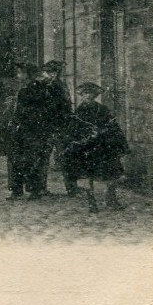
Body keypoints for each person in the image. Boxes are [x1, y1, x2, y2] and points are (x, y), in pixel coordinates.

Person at [59, 83, 129, 213]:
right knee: (87, 175)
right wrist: (81, 138)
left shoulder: (102, 109)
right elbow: (73, 129)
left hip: (102, 146)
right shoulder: (79, 112)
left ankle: (111, 199)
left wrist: (101, 132)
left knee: (112, 173)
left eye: (90, 94)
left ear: (95, 95)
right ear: (81, 95)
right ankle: (91, 202)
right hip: (86, 147)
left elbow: (112, 126)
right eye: (84, 94)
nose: (87, 96)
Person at [1, 63, 40, 201]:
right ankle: (21, 190)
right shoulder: (26, 88)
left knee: (24, 159)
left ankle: (28, 190)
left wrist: (17, 122)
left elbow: (27, 111)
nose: (18, 75)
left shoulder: (30, 89)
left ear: (27, 74)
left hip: (27, 129)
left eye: (20, 72)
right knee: (20, 159)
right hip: (25, 129)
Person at [34, 60, 73, 196]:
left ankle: (71, 188)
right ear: (47, 73)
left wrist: (67, 122)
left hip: (60, 126)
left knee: (65, 158)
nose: (53, 75)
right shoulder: (41, 86)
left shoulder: (62, 86)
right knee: (43, 158)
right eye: (50, 72)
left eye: (55, 72)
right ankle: (40, 188)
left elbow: (68, 105)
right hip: (45, 127)